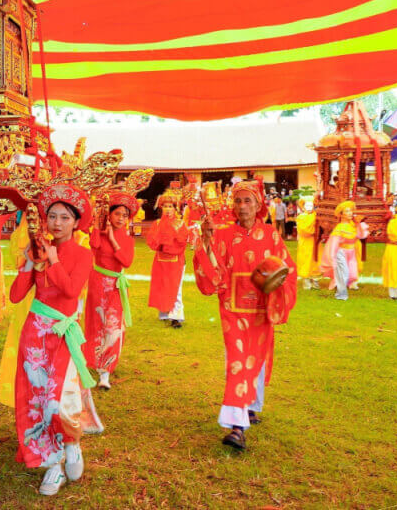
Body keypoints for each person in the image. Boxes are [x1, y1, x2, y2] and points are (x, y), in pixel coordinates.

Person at [192, 180, 297, 450]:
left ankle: (251, 406)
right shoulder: (224, 234)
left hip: (261, 309)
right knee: (238, 362)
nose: (242, 206)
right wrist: (205, 239)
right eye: (238, 201)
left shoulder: (271, 235)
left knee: (256, 361)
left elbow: (288, 269)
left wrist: (276, 283)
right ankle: (237, 427)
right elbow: (212, 265)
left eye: (248, 201)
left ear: (258, 205)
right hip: (232, 308)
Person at [9, 184, 97, 496]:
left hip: (63, 334)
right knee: (36, 401)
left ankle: (71, 441)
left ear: (76, 222)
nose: (57, 223)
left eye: (64, 217)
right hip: (35, 334)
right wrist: (31, 263)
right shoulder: (36, 252)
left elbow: (71, 291)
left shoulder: (83, 254)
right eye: (52, 217)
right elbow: (16, 295)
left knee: (60, 399)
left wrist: (54, 259)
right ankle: (53, 466)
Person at [83, 192, 137, 391]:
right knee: (97, 324)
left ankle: (106, 370)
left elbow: (127, 261)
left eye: (125, 215)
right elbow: (93, 246)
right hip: (97, 282)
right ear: (110, 215)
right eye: (117, 214)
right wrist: (99, 225)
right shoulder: (99, 232)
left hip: (115, 286)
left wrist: (113, 239)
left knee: (112, 327)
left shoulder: (128, 239)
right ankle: (96, 361)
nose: (121, 218)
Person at [146, 191, 187, 327]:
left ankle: (176, 316)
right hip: (160, 260)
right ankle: (164, 313)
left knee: (176, 288)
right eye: (165, 206)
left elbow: (181, 243)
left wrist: (165, 246)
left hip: (176, 261)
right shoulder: (157, 224)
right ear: (161, 208)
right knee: (161, 286)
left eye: (171, 206)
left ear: (175, 208)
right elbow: (151, 241)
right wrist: (160, 244)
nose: (168, 209)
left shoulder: (180, 224)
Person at [320, 201, 369, 300]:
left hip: (351, 252)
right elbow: (333, 244)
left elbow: (361, 235)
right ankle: (341, 295)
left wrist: (359, 223)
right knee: (344, 272)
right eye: (347, 211)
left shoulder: (353, 225)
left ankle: (341, 288)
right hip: (341, 252)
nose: (350, 213)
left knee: (352, 272)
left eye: (351, 211)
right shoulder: (340, 228)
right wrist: (332, 258)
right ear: (341, 214)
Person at [295, 198, 321, 290]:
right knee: (306, 260)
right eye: (307, 205)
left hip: (315, 242)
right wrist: (314, 229)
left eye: (311, 205)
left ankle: (315, 281)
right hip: (306, 242)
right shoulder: (301, 217)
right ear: (303, 207)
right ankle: (306, 282)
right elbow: (304, 231)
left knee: (315, 260)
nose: (309, 207)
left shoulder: (317, 215)